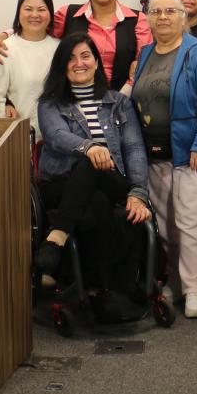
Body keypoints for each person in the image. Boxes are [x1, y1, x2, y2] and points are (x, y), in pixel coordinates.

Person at [36, 32, 153, 324]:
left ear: (97, 62)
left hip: (112, 180)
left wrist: (138, 192)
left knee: (97, 179)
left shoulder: (118, 103)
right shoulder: (50, 103)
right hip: (61, 184)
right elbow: (56, 135)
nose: (79, 63)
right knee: (95, 192)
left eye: (86, 56)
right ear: (61, 65)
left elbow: (134, 148)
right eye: (71, 58)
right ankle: (107, 293)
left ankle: (57, 238)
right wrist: (89, 147)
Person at [131, 0, 197, 320]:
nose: (162, 17)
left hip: (194, 155)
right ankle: (170, 283)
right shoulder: (146, 52)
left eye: (170, 11)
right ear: (147, 18)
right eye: (155, 11)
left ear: (183, 17)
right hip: (155, 155)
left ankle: (195, 289)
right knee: (163, 225)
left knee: (192, 224)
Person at [52, 0, 151, 91]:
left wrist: (120, 98)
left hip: (122, 97)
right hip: (72, 97)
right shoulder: (67, 14)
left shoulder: (138, 20)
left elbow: (143, 64)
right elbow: (37, 34)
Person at [0, 0, 58, 139]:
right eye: (28, 9)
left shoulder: (59, 47)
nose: (35, 15)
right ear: (19, 12)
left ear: (50, 14)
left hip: (57, 138)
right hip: (19, 138)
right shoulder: (5, 48)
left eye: (41, 9)